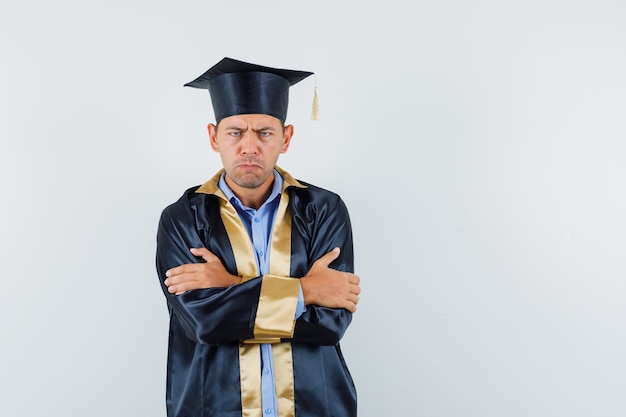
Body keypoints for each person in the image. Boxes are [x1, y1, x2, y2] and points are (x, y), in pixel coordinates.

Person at [155, 57, 361, 417]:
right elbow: (204, 323)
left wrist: (228, 287)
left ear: (286, 137)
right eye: (235, 132)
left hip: (316, 407)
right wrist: (307, 291)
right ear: (213, 136)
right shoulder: (183, 217)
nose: (249, 147)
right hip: (212, 408)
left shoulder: (323, 210)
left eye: (265, 132)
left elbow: (330, 324)